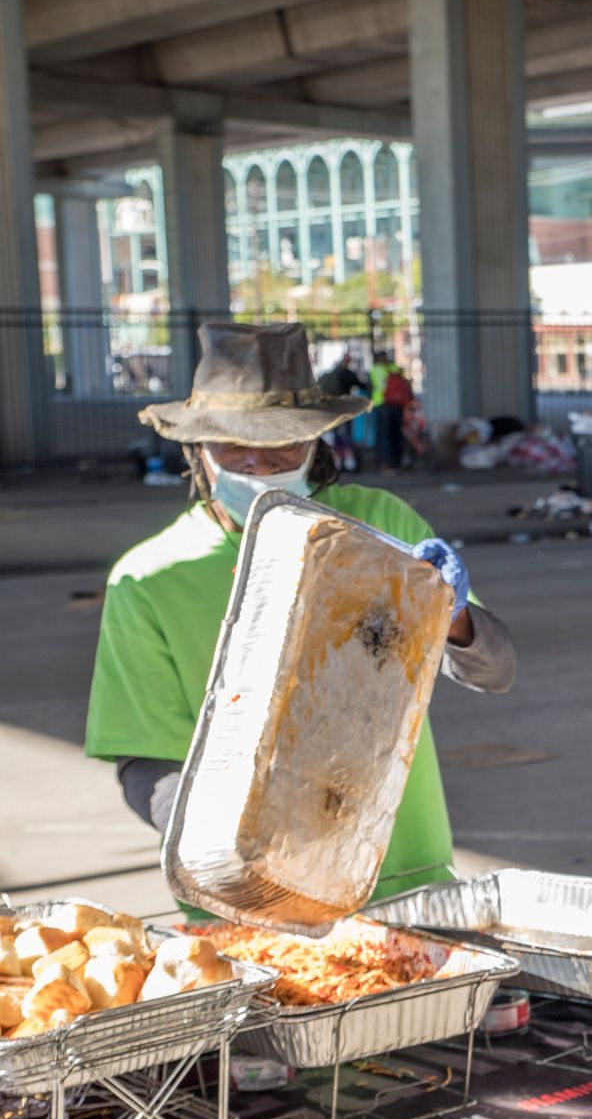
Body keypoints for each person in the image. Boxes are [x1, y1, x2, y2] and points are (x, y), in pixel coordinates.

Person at [85, 322, 516, 904]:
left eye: (284, 442)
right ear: (197, 450)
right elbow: (144, 761)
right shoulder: (149, 579)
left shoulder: (382, 525)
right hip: (250, 905)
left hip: (406, 881)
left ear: (316, 441)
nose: (259, 462)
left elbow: (495, 670)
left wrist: (454, 616)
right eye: (234, 444)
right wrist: (241, 850)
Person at [317, 352, 367, 474]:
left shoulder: (327, 376)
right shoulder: (347, 374)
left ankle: (337, 463)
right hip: (343, 411)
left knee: (334, 438)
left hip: (329, 411)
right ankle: (349, 463)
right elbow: (361, 385)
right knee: (346, 437)